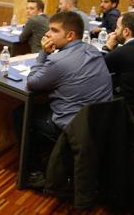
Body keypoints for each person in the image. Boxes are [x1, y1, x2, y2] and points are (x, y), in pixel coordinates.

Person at [17, 11, 113, 185]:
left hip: (74, 126)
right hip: (99, 121)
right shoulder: (92, 50)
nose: (47, 34)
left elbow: (32, 83)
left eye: (54, 30)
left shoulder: (58, 61)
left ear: (70, 35)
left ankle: (34, 172)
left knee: (21, 114)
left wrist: (43, 54)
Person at [103, 12, 134, 117]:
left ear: (126, 32)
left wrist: (107, 47)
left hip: (126, 112)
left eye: (117, 28)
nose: (115, 32)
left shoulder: (121, 53)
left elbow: (97, 69)